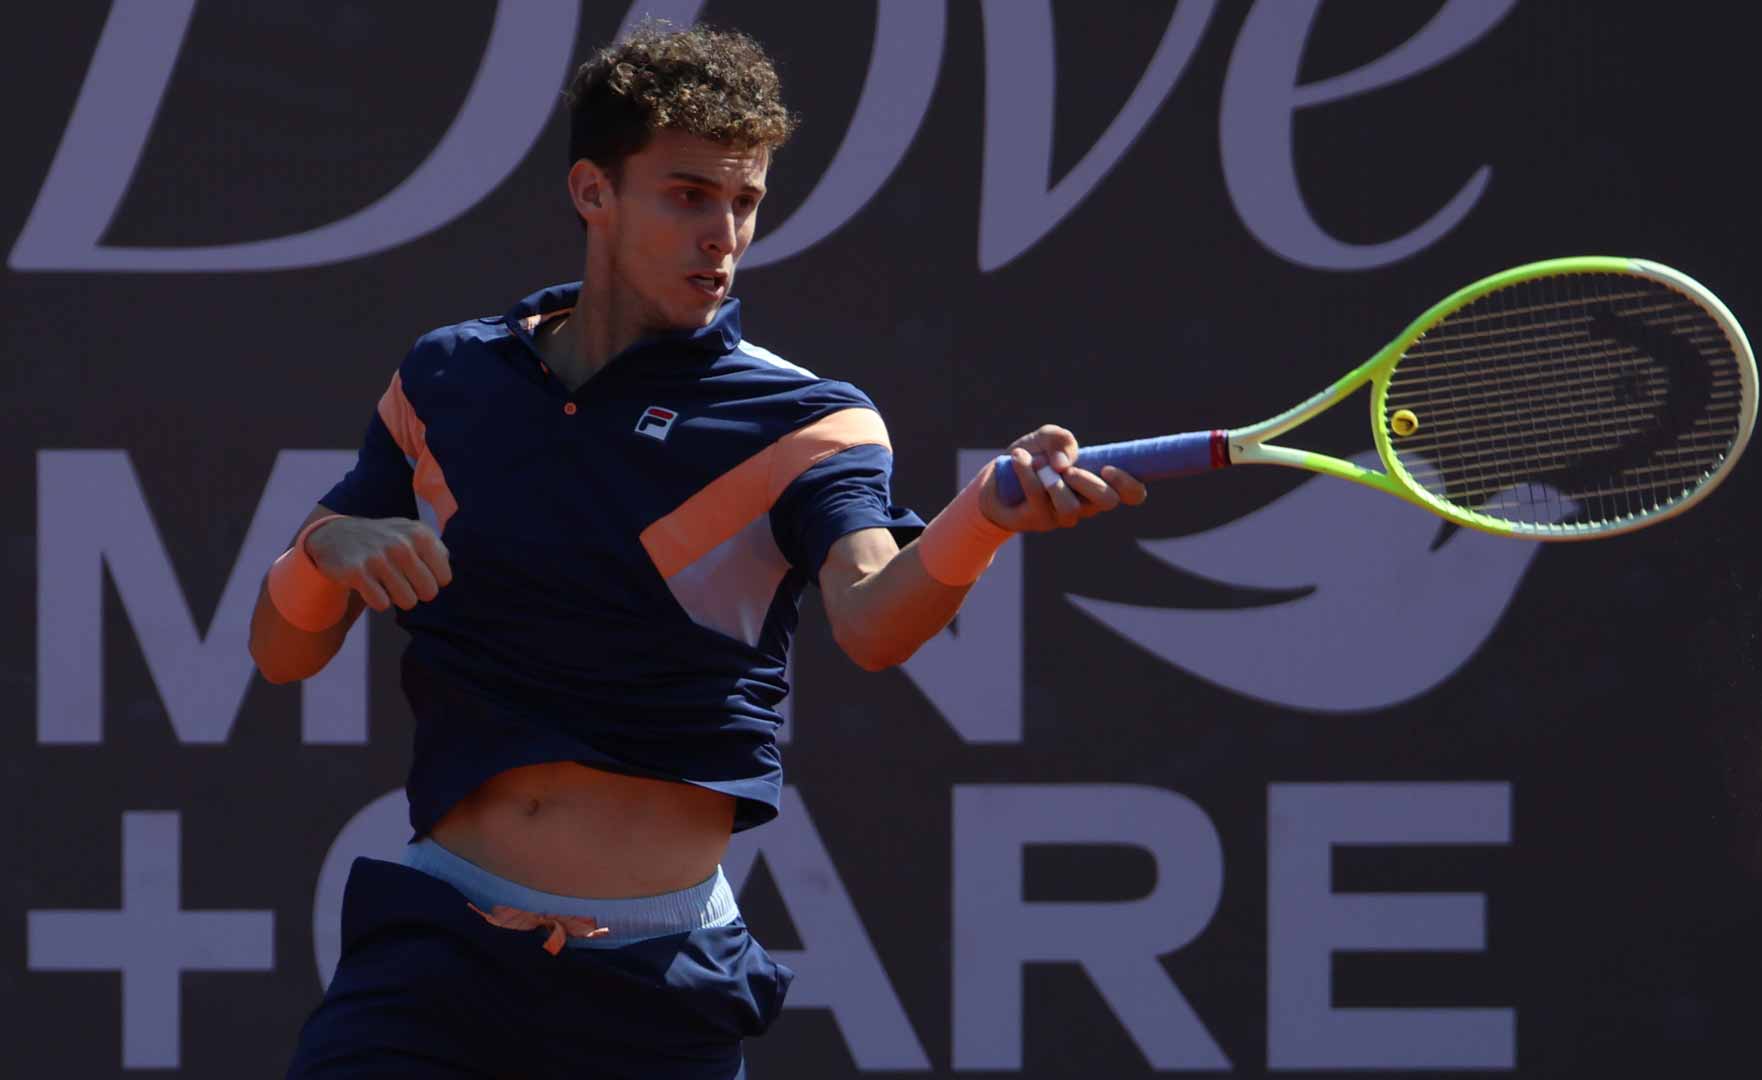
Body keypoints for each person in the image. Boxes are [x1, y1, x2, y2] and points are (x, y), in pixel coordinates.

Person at [258, 21, 1144, 1079]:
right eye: (687, 195)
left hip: (654, 985)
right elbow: (283, 652)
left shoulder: (805, 421)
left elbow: (872, 617)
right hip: (439, 953)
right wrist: (324, 551)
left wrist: (984, 519)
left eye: (746, 202)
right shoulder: (449, 380)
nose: (722, 233)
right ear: (594, 192)